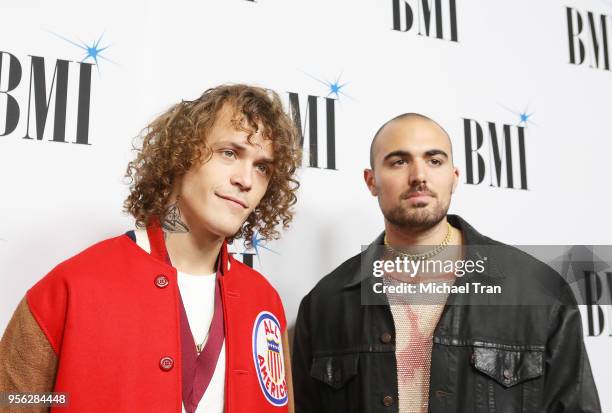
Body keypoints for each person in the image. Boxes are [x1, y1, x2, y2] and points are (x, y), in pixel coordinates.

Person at [0, 84, 301, 412]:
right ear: (182, 154)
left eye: (262, 167)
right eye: (230, 153)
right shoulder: (72, 287)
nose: (246, 179)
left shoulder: (264, 300)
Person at [291, 113, 601, 412]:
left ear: (453, 178)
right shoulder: (325, 304)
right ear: (371, 181)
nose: (419, 176)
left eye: (434, 160)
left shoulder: (537, 292)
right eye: (399, 161)